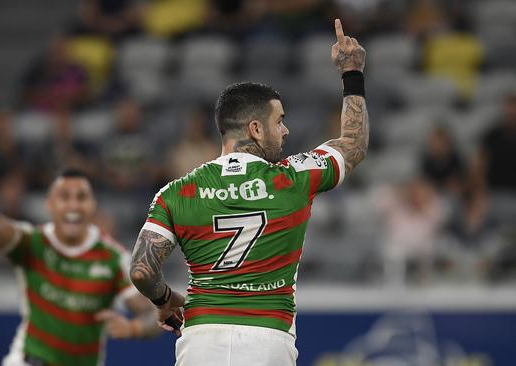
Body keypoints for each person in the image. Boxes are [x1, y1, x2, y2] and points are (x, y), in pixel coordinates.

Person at [129, 19, 369, 366]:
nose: (285, 131)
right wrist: (352, 73)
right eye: (279, 121)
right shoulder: (294, 177)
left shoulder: (177, 192)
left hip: (201, 339)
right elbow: (353, 145)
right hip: (268, 339)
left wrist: (165, 300)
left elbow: (141, 270)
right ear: (256, 129)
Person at [0, 151, 160, 366]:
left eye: (81, 197)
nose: (73, 206)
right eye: (64, 197)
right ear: (49, 204)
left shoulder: (113, 259)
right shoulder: (34, 242)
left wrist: (134, 328)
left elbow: (152, 314)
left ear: (93, 205)